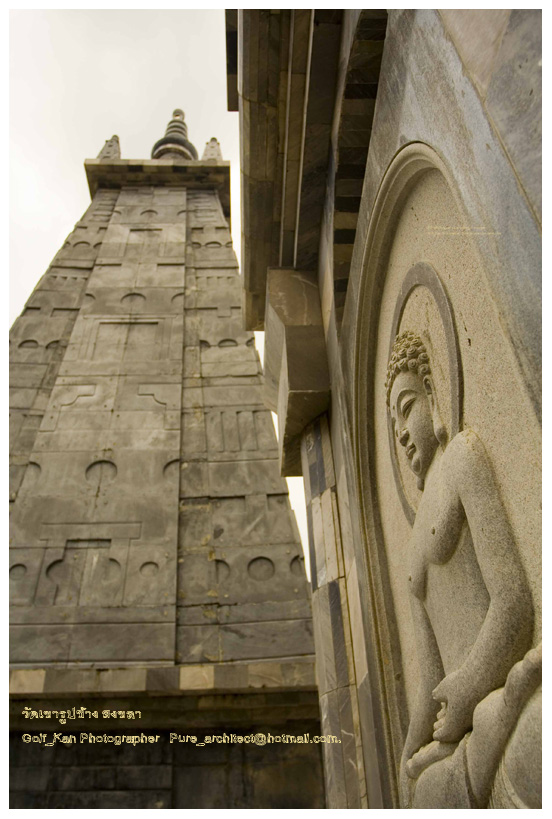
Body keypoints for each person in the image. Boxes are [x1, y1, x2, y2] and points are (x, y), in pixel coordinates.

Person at [385, 331, 534, 807]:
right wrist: (410, 751)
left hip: (488, 691)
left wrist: (470, 684)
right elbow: (430, 680)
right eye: (394, 425)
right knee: (422, 794)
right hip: (454, 731)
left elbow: (513, 602)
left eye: (407, 408)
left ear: (432, 394)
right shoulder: (412, 550)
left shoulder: (461, 461)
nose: (402, 432)